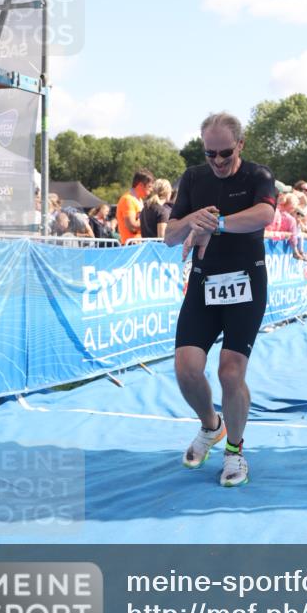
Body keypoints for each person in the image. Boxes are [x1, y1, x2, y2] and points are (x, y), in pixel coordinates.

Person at [164, 112, 276, 488]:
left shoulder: (258, 176)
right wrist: (194, 218)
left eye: (225, 153)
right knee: (187, 369)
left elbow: (264, 215)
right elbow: (170, 235)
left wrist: (217, 223)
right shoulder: (194, 178)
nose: (217, 161)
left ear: (240, 145)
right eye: (210, 153)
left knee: (230, 371)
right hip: (203, 284)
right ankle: (211, 426)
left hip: (245, 284)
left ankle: (235, 451)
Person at [116, 170, 154, 245]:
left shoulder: (139, 200)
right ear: (140, 185)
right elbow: (131, 226)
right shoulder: (128, 199)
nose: (151, 189)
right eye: (149, 186)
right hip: (130, 245)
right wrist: (151, 223)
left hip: (138, 244)